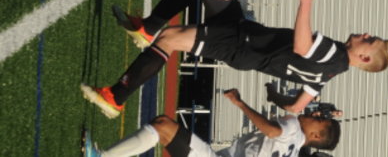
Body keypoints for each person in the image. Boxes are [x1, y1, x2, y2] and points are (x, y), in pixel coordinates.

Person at [81, 0, 388, 118]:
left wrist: (306, 2)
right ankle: (147, 27)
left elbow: (301, 47)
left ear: (364, 58)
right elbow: (296, 107)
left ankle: (115, 97)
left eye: (371, 40)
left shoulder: (335, 53)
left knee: (170, 39)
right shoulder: (330, 74)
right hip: (243, 33)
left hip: (240, 44)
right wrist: (275, 96)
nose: (366, 34)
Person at [82, 88, 340, 156]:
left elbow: (273, 131)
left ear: (316, 136)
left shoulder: (293, 128)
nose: (317, 116)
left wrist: (240, 103)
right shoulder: (293, 150)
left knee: (163, 126)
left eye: (320, 121)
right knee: (163, 128)